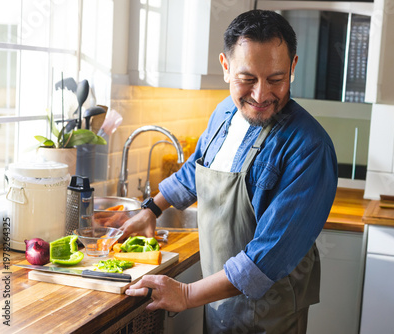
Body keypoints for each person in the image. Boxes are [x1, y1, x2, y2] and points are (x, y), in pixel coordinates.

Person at [122, 9, 338, 333]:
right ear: (225, 67)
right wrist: (153, 208)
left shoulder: (309, 148)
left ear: (292, 68)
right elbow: (196, 170)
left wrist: (185, 293)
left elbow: (267, 257)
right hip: (220, 305)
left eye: (276, 79)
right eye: (247, 79)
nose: (261, 94)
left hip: (269, 318)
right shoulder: (224, 113)